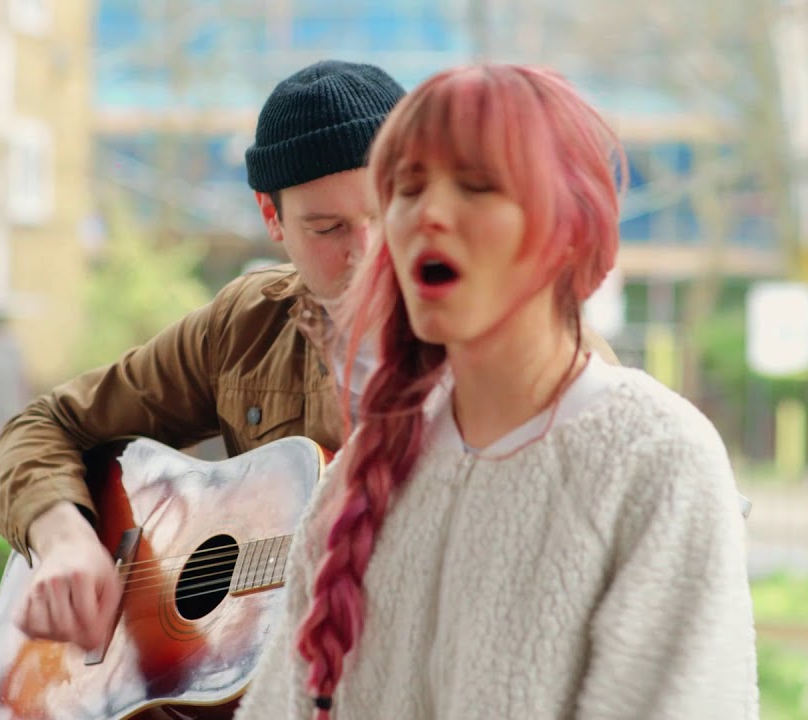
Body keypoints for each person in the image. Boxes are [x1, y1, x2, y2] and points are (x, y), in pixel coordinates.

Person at [0, 60, 619, 654]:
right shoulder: (244, 326)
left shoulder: (534, 352)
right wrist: (65, 538)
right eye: (328, 229)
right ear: (273, 218)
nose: (371, 251)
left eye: (385, 212)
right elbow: (44, 425)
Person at [233, 64, 759, 720]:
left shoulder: (657, 459)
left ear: (570, 227)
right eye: (407, 187)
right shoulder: (358, 475)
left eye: (477, 187)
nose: (427, 214)